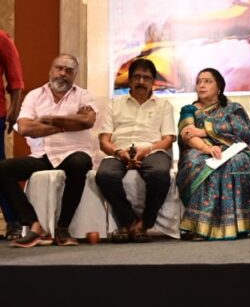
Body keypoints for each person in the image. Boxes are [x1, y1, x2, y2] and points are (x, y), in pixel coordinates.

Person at [0, 54, 96, 248]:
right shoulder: (35, 96)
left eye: (69, 70)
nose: (63, 74)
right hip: (42, 156)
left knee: (80, 163)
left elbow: (87, 121)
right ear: (50, 70)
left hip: (73, 152)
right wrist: (68, 123)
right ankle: (35, 225)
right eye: (59, 68)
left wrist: (48, 119)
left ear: (75, 75)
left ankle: (63, 228)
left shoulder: (84, 96)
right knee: (2, 169)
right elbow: (25, 127)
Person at [95, 57, 176, 243]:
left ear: (153, 81)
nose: (141, 81)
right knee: (105, 175)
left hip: (152, 150)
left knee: (159, 174)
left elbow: (168, 140)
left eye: (146, 78)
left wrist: (146, 150)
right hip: (119, 150)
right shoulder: (114, 104)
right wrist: (118, 153)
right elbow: (104, 140)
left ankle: (145, 223)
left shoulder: (163, 105)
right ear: (129, 80)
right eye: (137, 77)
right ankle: (131, 222)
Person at [177, 67, 250, 240]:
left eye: (207, 81)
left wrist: (207, 130)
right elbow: (187, 134)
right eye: (199, 82)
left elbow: (244, 132)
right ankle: (199, 226)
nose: (202, 85)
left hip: (233, 149)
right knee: (201, 163)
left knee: (236, 161)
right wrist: (207, 148)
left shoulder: (233, 108)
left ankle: (239, 225)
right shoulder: (189, 110)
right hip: (200, 150)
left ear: (219, 87)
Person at [0, 29, 25, 239]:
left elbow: (15, 77)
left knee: (0, 169)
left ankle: (14, 220)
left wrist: (15, 108)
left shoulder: (1, 38)